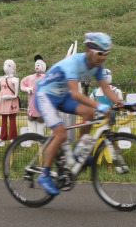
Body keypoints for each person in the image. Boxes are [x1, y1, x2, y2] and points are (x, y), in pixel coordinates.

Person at [34, 32, 124, 195]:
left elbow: (105, 88)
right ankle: (44, 174)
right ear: (89, 50)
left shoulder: (97, 66)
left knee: (88, 112)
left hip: (62, 95)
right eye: (100, 53)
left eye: (106, 54)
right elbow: (76, 94)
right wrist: (99, 105)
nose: (103, 58)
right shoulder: (73, 63)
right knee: (60, 134)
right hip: (46, 95)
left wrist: (120, 103)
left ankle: (78, 151)